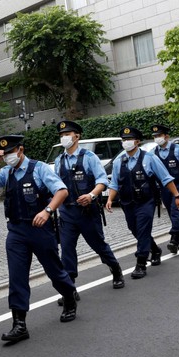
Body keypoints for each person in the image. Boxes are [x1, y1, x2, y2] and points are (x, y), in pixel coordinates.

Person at [0, 134, 77, 345]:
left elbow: (62, 191)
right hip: (16, 232)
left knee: (55, 271)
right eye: (4, 154)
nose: (7, 157)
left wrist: (47, 211)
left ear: (20, 150)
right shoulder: (6, 172)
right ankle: (19, 324)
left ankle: (69, 297)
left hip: (40, 230)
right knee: (17, 277)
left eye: (10, 153)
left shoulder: (39, 168)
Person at [53, 120, 124, 300]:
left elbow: (102, 180)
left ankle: (115, 269)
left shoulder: (89, 157)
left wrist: (91, 195)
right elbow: (55, 186)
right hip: (67, 212)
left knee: (98, 245)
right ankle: (70, 289)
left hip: (87, 212)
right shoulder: (58, 160)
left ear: (77, 136)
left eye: (67, 134)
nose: (64, 138)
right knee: (67, 250)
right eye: (61, 135)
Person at [106, 126, 179, 279]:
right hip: (127, 203)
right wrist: (109, 199)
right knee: (134, 229)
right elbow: (114, 183)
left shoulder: (149, 158)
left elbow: (166, 178)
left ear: (137, 141)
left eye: (129, 139)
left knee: (142, 229)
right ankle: (155, 250)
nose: (126, 142)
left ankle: (141, 263)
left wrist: (177, 195)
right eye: (124, 140)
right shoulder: (119, 161)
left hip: (146, 202)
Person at [150, 124, 179, 254]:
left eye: (159, 135)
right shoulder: (153, 153)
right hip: (164, 188)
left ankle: (174, 239)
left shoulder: (178, 150)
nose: (157, 138)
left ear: (166, 136)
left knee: (177, 211)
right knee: (172, 214)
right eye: (154, 136)